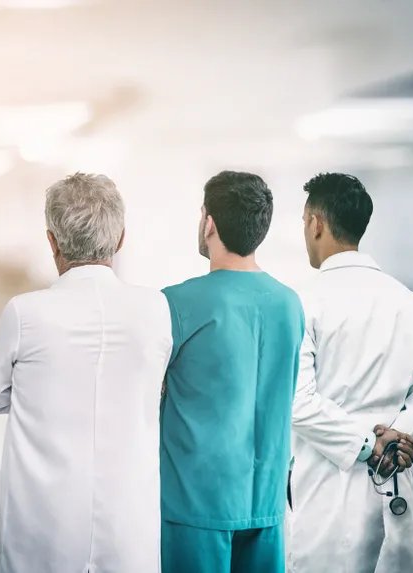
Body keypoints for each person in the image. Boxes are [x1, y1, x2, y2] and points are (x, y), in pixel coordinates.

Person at [0, 173, 173, 572]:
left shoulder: (25, 312)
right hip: (127, 522)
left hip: (44, 522)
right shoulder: (154, 309)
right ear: (121, 238)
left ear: (51, 241)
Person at [287, 173, 413, 573]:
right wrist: (400, 432)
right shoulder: (406, 301)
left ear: (316, 224)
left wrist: (369, 444)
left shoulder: (305, 301)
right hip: (393, 483)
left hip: (328, 495)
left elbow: (297, 400)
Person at [160, 171, 304, 573]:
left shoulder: (176, 304)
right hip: (267, 500)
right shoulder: (289, 304)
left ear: (208, 222)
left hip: (197, 504)